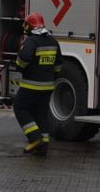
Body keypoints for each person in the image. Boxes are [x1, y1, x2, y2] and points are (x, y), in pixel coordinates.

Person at [13, 12, 63, 156]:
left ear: (30, 26)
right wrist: (51, 76)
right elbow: (59, 65)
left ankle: (34, 138)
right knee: (40, 114)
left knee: (20, 109)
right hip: (47, 87)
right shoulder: (53, 41)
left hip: (31, 86)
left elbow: (24, 57)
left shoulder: (31, 41)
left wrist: (19, 67)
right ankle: (43, 146)